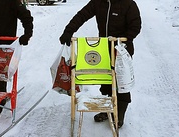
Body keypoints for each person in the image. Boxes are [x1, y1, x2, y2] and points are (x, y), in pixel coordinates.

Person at [59, 0, 141, 128]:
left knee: (121, 82)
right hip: (104, 49)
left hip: (121, 49)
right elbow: (82, 15)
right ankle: (108, 108)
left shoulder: (128, 3)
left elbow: (136, 25)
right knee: (107, 80)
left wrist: (123, 39)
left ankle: (119, 114)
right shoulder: (98, 2)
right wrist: (68, 31)